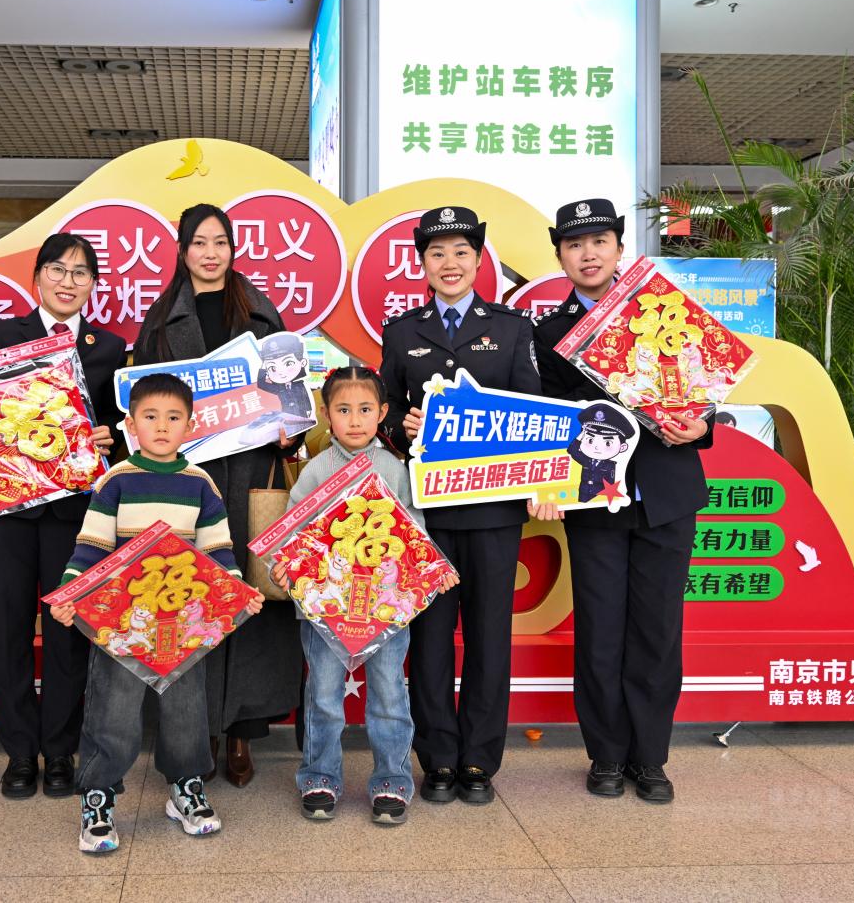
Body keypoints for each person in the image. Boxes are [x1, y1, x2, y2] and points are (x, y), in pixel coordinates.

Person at [532, 198, 713, 804]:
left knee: (658, 631)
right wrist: (547, 484)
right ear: (560, 256)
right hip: (593, 501)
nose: (588, 254)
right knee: (601, 631)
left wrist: (702, 425)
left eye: (599, 242)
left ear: (618, 248)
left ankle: (651, 757)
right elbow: (547, 421)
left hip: (666, 494)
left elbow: (702, 388)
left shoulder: (662, 315)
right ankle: (607, 755)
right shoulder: (548, 334)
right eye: (574, 245)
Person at [50, 373, 265, 853]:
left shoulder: (200, 484)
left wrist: (236, 593)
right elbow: (91, 546)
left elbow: (218, 553)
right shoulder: (116, 480)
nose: (162, 427)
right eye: (150, 417)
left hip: (182, 624)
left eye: (173, 418)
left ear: (191, 425)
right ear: (131, 425)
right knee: (114, 709)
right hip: (121, 624)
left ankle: (186, 787)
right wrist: (69, 593)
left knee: (187, 710)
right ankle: (99, 797)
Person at [379, 205, 548, 805]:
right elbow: (385, 415)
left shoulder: (512, 328)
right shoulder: (402, 332)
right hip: (426, 512)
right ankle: (439, 759)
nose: (449, 264)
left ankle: (479, 759)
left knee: (488, 635)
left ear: (478, 260)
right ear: (422, 263)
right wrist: (403, 427)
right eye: (436, 253)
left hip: (494, 509)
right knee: (429, 639)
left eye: (460, 252)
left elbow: (536, 414)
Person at [134, 203, 306, 787]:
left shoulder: (261, 314)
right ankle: (198, 728)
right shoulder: (160, 322)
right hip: (187, 482)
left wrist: (289, 432)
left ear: (233, 249)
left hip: (253, 479)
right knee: (192, 598)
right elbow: (140, 404)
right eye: (199, 243)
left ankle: (241, 734)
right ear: (182, 251)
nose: (210, 254)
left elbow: (291, 399)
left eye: (220, 243)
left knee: (253, 597)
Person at [0, 233, 127, 800]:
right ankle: (18, 753)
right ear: (37, 277)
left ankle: (59, 750)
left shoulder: (110, 348)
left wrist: (111, 436)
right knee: (7, 628)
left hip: (75, 512)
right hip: (5, 508)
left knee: (66, 633)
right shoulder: (0, 337)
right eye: (58, 269)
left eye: (81, 273)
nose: (67, 281)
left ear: (93, 285)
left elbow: (122, 423)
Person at [270, 366, 458, 825]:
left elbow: (415, 532)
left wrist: (432, 568)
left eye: (365, 409)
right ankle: (319, 776)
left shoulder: (395, 469)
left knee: (390, 693)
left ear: (383, 412)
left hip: (385, 608)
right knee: (322, 694)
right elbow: (293, 528)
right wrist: (284, 563)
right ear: (326, 415)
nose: (354, 420)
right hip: (325, 609)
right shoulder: (316, 470)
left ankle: (392, 778)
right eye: (343, 410)